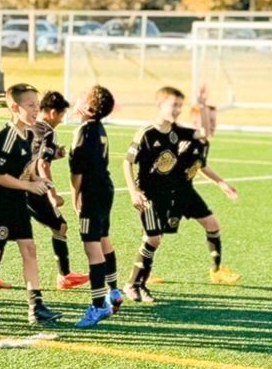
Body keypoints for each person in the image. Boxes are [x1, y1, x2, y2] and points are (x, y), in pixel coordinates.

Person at [0, 83, 62, 325]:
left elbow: (24, 170)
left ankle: (36, 307)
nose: (35, 110)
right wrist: (29, 186)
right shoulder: (6, 136)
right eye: (30, 105)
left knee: (29, 249)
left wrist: (38, 180)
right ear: (14, 107)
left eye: (37, 105)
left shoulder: (28, 135)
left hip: (17, 203)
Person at [0, 91, 89, 290]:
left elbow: (33, 156)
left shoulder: (29, 127)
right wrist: (52, 194)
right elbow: (42, 164)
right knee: (60, 226)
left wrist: (55, 153)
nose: (61, 119)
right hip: (32, 188)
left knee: (5, 231)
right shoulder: (48, 131)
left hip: (15, 187)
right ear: (51, 113)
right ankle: (65, 275)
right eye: (60, 115)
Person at [122, 86, 198, 303]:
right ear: (160, 105)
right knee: (153, 238)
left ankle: (139, 284)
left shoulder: (175, 134)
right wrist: (133, 191)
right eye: (173, 105)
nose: (176, 110)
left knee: (154, 239)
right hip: (147, 194)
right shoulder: (146, 133)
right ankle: (132, 284)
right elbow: (127, 162)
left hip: (166, 194)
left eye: (179, 106)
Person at [168, 90, 241, 284]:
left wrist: (221, 183)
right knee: (153, 235)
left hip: (187, 191)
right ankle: (142, 275)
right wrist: (201, 105)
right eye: (210, 120)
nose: (213, 125)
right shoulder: (186, 138)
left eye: (214, 121)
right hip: (171, 192)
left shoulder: (203, 143)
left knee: (212, 224)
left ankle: (216, 271)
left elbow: (202, 166)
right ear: (196, 120)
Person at [69, 85, 123, 328]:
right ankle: (113, 291)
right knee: (103, 239)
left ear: (89, 108)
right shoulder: (98, 128)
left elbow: (77, 171)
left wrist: (74, 196)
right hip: (105, 189)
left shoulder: (83, 131)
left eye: (82, 96)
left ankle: (99, 305)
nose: (77, 98)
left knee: (92, 248)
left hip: (92, 192)